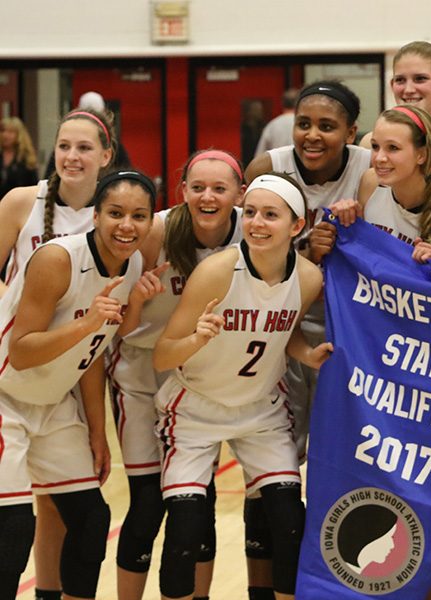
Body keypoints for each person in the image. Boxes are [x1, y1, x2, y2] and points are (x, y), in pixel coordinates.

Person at [152, 172, 330, 600]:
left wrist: (307, 354)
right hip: (195, 406)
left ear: (296, 225)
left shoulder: (308, 279)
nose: (257, 223)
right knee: (184, 529)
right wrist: (197, 339)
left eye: (271, 215)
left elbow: (282, 332)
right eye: (250, 212)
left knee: (289, 520)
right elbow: (162, 354)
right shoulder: (216, 271)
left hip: (260, 410)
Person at [0, 169, 154, 599]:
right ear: (95, 216)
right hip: (5, 396)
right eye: (116, 213)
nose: (127, 225)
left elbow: (93, 355)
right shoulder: (57, 259)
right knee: (13, 528)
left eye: (139, 216)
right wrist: (87, 323)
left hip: (50, 403)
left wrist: (96, 430)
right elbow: (22, 350)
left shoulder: (133, 264)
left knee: (90, 519)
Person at [244, 80, 370, 598]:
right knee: (272, 465)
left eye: (327, 126)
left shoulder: (369, 168)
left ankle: (335, 579)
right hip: (278, 329)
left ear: (350, 132)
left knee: (342, 458)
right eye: (304, 123)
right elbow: (248, 255)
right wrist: (305, 250)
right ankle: (263, 585)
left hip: (351, 332)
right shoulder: (267, 169)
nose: (312, 135)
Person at [107, 149, 245, 599]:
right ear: (182, 190)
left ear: (237, 194)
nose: (207, 196)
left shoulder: (251, 228)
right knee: (148, 503)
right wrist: (139, 302)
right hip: (143, 371)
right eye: (197, 187)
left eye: (219, 188)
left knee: (196, 505)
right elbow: (119, 328)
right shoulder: (159, 231)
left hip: (200, 374)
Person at [0, 107, 116, 600]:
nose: (72, 156)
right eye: (64, 145)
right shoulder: (21, 202)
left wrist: (97, 425)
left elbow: (93, 344)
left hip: (63, 379)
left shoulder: (115, 220)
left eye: (84, 147)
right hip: (12, 371)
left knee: (81, 516)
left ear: (106, 156)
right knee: (15, 526)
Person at [320, 104, 431, 248]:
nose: (379, 158)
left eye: (393, 148)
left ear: (422, 154)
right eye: (375, 146)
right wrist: (346, 219)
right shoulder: (370, 182)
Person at [360, 41, 431, 156]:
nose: (409, 90)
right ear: (392, 84)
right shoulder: (372, 145)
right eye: (400, 80)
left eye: (420, 79)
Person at [0, 116, 39, 200]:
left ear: (19, 135)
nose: (5, 135)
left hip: (18, 205)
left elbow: (33, 187)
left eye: (10, 132)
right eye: (3, 131)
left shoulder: (26, 158)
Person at [255, 89, 300, 157]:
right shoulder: (303, 124)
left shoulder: (271, 126)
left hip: (277, 166)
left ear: (282, 103)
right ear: (300, 103)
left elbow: (259, 156)